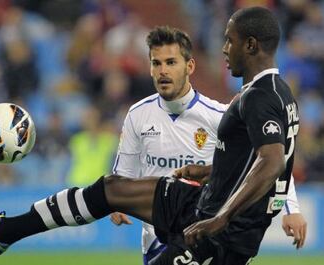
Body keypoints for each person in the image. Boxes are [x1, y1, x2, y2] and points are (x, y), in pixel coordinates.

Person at [0, 7, 304, 264]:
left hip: (221, 233)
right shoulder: (272, 93)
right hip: (201, 202)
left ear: (252, 44)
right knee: (112, 188)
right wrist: (209, 171)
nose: (224, 48)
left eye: (230, 40)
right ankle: (3, 232)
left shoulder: (260, 97)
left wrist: (222, 218)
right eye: (157, 63)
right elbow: (258, 159)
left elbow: (272, 162)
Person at [107, 26, 306, 264]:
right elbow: (124, 172)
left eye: (171, 62)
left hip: (202, 232)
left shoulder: (220, 116)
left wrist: (290, 208)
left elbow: (271, 158)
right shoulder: (137, 115)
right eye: (156, 63)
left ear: (190, 66)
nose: (163, 71)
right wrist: (116, 203)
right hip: (154, 235)